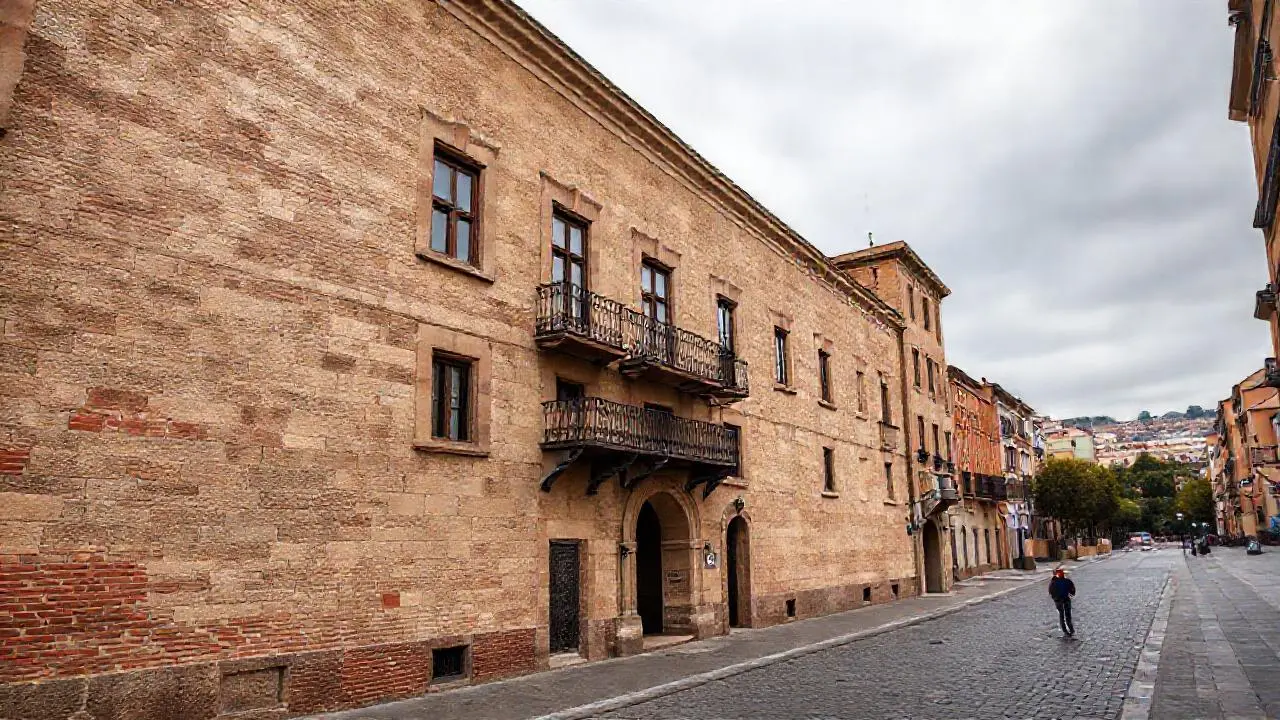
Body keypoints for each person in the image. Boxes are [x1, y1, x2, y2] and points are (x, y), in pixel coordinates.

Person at [1049, 567, 1075, 637]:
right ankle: (1070, 629)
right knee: (1066, 615)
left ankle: (1067, 630)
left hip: (1060, 600)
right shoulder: (1066, 581)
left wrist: (1055, 598)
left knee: (1063, 615)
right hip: (1064, 599)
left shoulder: (1053, 582)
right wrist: (1072, 593)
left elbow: (1051, 591)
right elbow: (1072, 589)